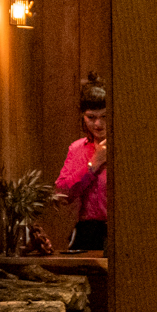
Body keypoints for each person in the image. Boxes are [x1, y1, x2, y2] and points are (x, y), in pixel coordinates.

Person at [54, 78, 111, 251]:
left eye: (104, 116)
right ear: (83, 116)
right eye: (91, 117)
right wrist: (93, 164)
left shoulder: (130, 146)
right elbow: (62, 193)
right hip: (88, 230)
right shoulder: (78, 148)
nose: (98, 124)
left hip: (122, 228)